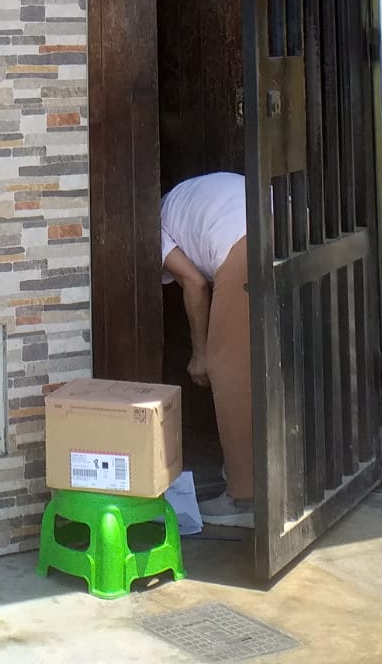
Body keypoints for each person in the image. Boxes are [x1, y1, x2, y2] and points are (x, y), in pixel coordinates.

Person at [160, 171, 252, 526]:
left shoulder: (151, 226)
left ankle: (245, 498)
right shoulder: (188, 197)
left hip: (243, 244)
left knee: (229, 371)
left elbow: (195, 282)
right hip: (294, 221)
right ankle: (310, 476)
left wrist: (200, 354)